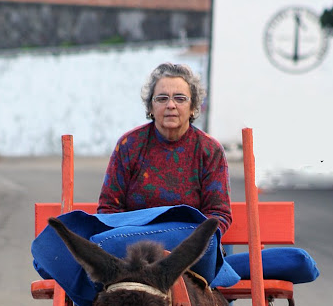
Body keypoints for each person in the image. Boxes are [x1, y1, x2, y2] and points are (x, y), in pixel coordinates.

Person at [97, 62, 232, 235]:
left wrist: (189, 248)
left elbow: (218, 213)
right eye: (162, 98)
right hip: (136, 248)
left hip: (191, 246)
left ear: (192, 108)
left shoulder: (209, 150)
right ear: (151, 107)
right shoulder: (129, 145)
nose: (171, 105)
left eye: (180, 98)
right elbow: (109, 209)